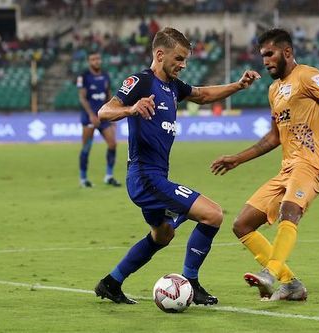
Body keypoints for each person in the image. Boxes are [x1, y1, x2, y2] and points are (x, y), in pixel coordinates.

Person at [94, 27, 260, 305]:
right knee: (213, 214)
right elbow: (104, 111)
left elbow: (203, 95)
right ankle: (191, 284)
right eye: (179, 59)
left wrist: (238, 85)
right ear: (160, 54)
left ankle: (111, 282)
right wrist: (131, 109)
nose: (183, 65)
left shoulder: (172, 86)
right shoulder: (140, 82)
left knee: (162, 235)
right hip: (146, 178)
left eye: (185, 60)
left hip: (155, 177)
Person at [211, 28, 319, 301]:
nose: (265, 61)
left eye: (270, 54)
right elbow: (274, 138)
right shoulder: (273, 90)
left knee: (290, 210)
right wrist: (237, 159)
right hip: (287, 169)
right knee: (242, 225)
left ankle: (270, 272)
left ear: (287, 52)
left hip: (312, 164)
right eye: (262, 55)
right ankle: (291, 284)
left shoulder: (308, 76)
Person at [77, 51, 121, 188]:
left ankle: (109, 176)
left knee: (112, 144)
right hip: (89, 117)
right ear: (89, 61)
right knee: (86, 147)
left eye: (98, 59)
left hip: (103, 116)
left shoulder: (105, 75)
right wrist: (91, 114)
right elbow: (82, 97)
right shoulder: (84, 76)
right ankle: (83, 178)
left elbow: (108, 95)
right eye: (93, 59)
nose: (96, 61)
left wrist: (112, 114)